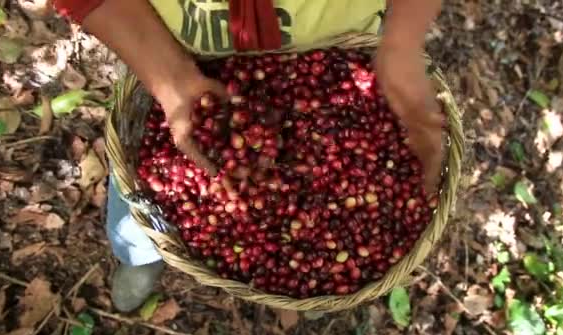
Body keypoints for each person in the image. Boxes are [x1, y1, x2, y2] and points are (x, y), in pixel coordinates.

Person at [53, 0, 444, 311]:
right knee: (141, 211)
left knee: (166, 198)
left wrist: (402, 43)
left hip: (338, 43)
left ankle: (312, 287)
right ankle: (139, 255)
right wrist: (170, 77)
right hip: (172, 53)